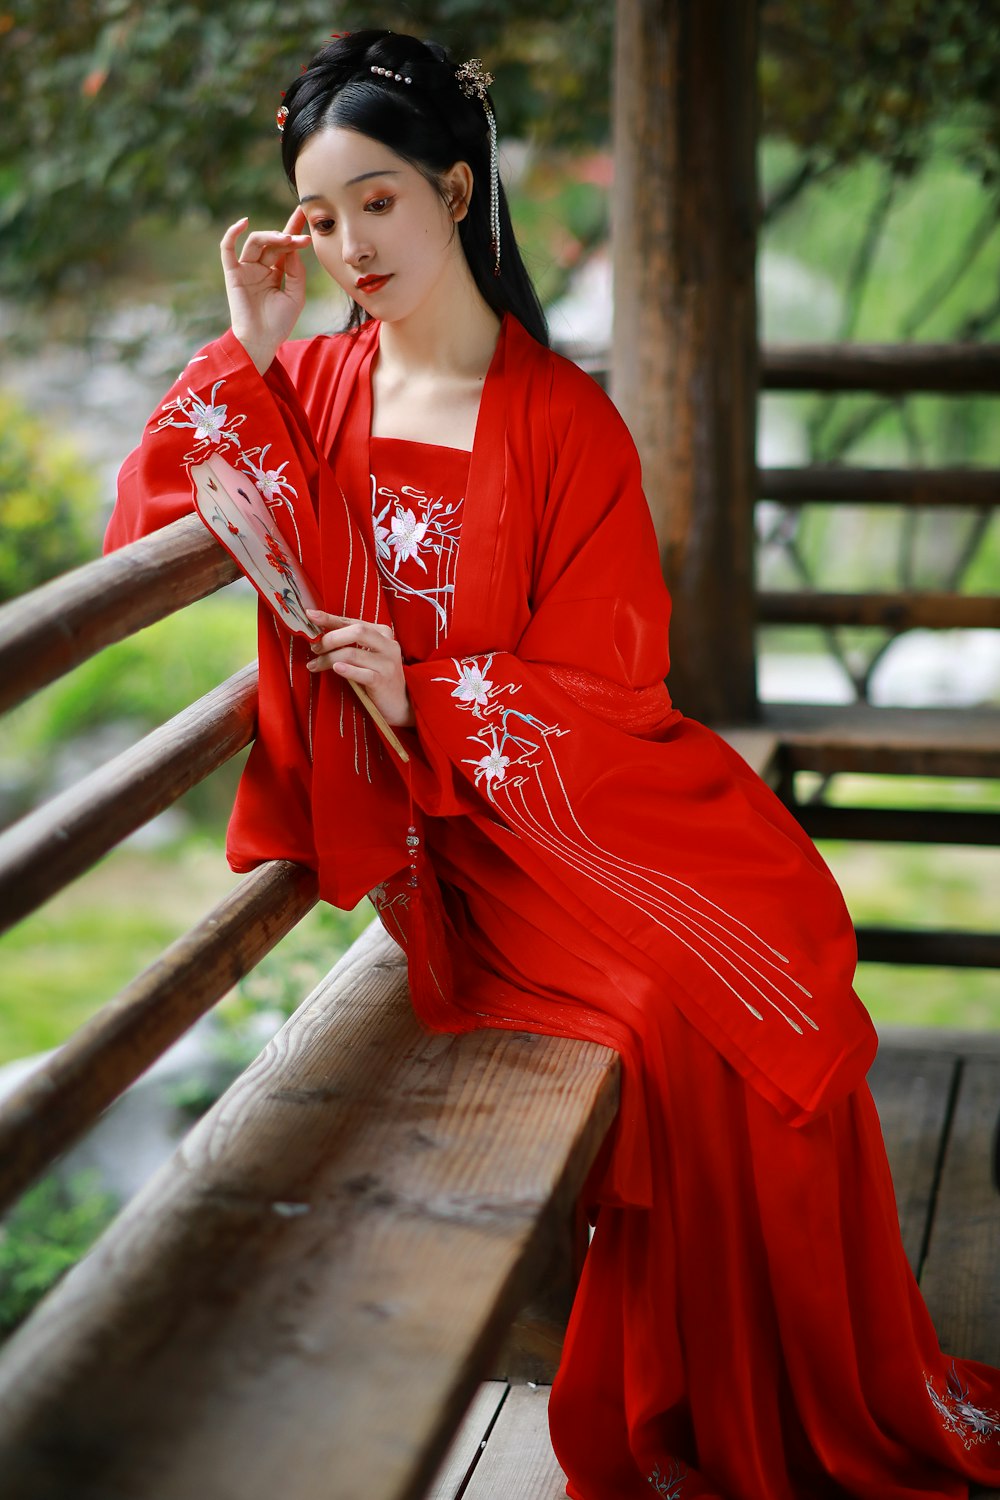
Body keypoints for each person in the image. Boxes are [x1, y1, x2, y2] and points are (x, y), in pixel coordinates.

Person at [105, 29, 1000, 1500]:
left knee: (766, 1002)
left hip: (581, 811)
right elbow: (157, 512)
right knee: (673, 1014)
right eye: (319, 218)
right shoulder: (311, 390)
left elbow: (613, 680)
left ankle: (789, 1397)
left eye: (378, 201)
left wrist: (434, 684)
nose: (346, 246)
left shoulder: (565, 421)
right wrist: (249, 344)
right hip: (454, 843)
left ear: (459, 190)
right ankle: (696, 1398)